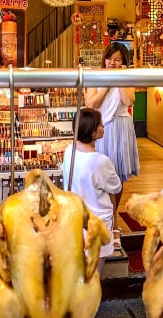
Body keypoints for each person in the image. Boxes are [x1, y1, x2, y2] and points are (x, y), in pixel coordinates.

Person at [85, 42, 140, 249]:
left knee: (116, 178)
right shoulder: (95, 75)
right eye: (110, 58)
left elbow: (128, 101)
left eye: (118, 60)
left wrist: (119, 80)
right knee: (100, 177)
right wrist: (107, 83)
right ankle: (102, 219)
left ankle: (114, 222)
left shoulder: (128, 77)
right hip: (100, 129)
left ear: (124, 63)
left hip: (121, 127)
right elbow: (91, 104)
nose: (113, 63)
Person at [62, 108, 122, 272]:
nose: (103, 127)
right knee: (94, 275)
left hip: (75, 220)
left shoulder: (69, 151)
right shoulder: (101, 161)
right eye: (100, 125)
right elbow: (116, 186)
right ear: (91, 131)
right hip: (97, 224)